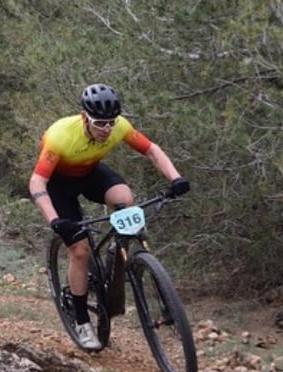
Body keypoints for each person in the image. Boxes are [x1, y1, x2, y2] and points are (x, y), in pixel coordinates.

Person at [28, 83, 190, 351]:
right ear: (84, 117)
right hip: (59, 185)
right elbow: (37, 182)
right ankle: (81, 320)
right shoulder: (59, 137)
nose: (106, 129)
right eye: (99, 123)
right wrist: (54, 220)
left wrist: (176, 178)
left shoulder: (120, 127)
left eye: (111, 123)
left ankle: (120, 250)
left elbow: (151, 149)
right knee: (79, 251)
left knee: (125, 199)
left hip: (90, 174)